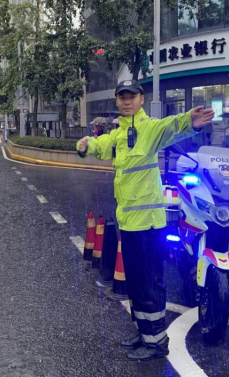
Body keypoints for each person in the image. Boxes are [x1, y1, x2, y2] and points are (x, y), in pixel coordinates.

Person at [76, 80, 214, 361]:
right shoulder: (119, 133)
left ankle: (157, 342)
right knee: (137, 283)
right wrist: (86, 145)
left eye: (132, 97)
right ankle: (144, 333)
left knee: (151, 282)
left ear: (141, 99)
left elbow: (171, 127)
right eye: (122, 97)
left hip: (148, 225)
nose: (127, 101)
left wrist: (191, 121)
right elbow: (102, 145)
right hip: (128, 223)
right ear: (117, 102)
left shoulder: (150, 128)